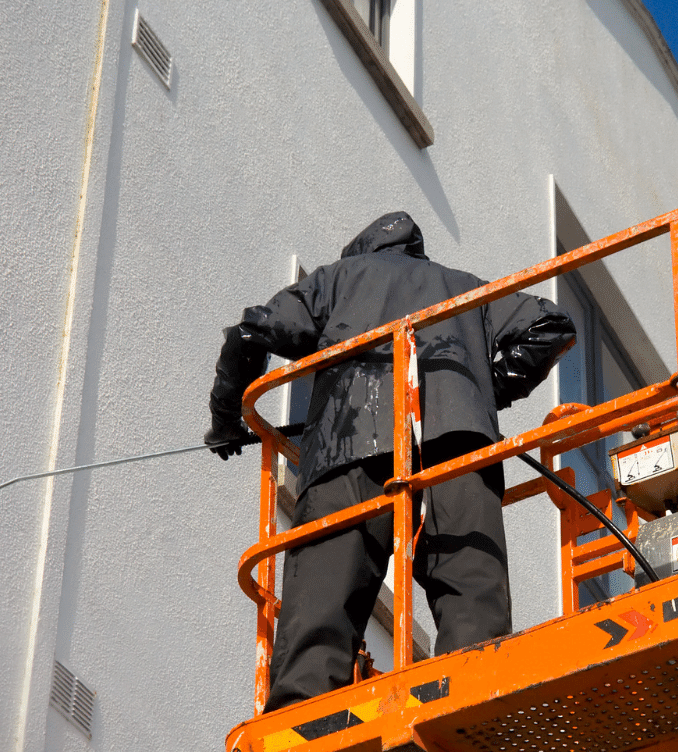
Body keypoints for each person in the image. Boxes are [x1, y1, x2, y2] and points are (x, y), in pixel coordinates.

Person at [208, 211, 575, 713]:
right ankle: (471, 693)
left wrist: (227, 419)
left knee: (324, 593)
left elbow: (251, 335)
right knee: (471, 587)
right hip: (458, 440)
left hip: (348, 442)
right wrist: (479, 392)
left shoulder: (339, 278)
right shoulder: (466, 288)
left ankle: (301, 714)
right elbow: (552, 326)